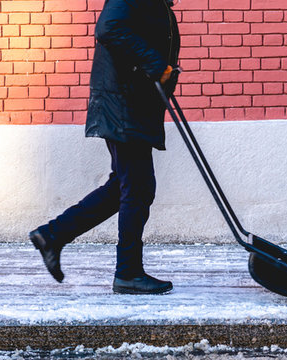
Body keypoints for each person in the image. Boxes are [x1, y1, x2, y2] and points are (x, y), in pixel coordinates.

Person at [29, 0, 181, 295]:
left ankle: (52, 235)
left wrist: (164, 70)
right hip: (122, 103)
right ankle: (128, 273)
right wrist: (156, 65)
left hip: (131, 102)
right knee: (136, 187)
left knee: (125, 185)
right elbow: (109, 28)